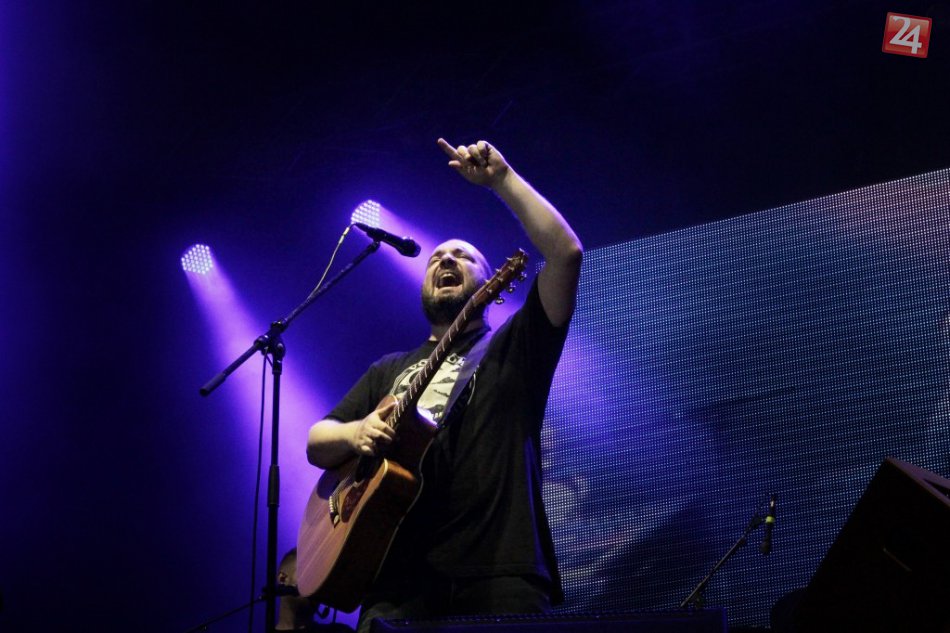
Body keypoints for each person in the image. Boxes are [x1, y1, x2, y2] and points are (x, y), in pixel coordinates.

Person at [306, 138, 583, 633]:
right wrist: (355, 433)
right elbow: (316, 441)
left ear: (492, 284)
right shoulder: (389, 369)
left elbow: (565, 254)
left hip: (498, 574)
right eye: (437, 257)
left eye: (463, 256)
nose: (447, 260)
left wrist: (502, 180)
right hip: (399, 583)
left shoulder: (514, 347)